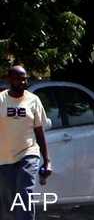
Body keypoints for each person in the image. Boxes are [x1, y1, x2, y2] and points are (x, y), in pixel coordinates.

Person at [1, 66, 49, 220]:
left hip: (28, 153)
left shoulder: (33, 100)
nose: (22, 82)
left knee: (25, 191)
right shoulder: (1, 100)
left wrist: (47, 160)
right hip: (4, 158)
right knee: (9, 201)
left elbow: (39, 131)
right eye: (18, 79)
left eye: (24, 79)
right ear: (9, 80)